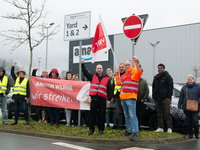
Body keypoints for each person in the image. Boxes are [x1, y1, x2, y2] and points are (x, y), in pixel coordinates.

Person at [81, 59, 112, 135]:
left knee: (101, 115)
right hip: (94, 99)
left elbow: (110, 89)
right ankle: (91, 130)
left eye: (100, 68)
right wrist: (82, 65)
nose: (99, 69)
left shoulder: (107, 79)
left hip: (102, 100)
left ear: (102, 69)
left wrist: (109, 99)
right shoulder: (92, 77)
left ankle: (101, 130)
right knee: (92, 115)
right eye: (98, 68)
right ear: (95, 69)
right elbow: (85, 72)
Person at [115, 56, 143, 141]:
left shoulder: (134, 72)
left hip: (130, 97)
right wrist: (117, 74)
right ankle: (128, 131)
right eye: (125, 65)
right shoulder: (124, 75)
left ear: (131, 65)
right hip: (123, 98)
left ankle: (135, 133)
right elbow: (119, 84)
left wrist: (136, 61)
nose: (127, 66)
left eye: (128, 65)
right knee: (127, 116)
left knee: (132, 116)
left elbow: (140, 71)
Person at [152, 63, 173, 133]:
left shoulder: (168, 77)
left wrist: (168, 97)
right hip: (157, 98)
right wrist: (153, 96)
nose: (159, 69)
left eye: (161, 68)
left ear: (163, 69)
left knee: (167, 113)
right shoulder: (156, 77)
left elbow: (170, 87)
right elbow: (153, 87)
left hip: (165, 98)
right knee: (159, 113)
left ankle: (169, 128)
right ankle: (160, 127)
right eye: (158, 68)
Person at [114, 63, 125, 130]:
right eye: (120, 67)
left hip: (124, 96)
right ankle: (120, 125)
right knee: (119, 112)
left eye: (122, 67)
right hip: (117, 96)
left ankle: (126, 125)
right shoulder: (116, 75)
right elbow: (114, 86)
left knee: (125, 111)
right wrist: (113, 96)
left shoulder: (126, 75)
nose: (121, 68)